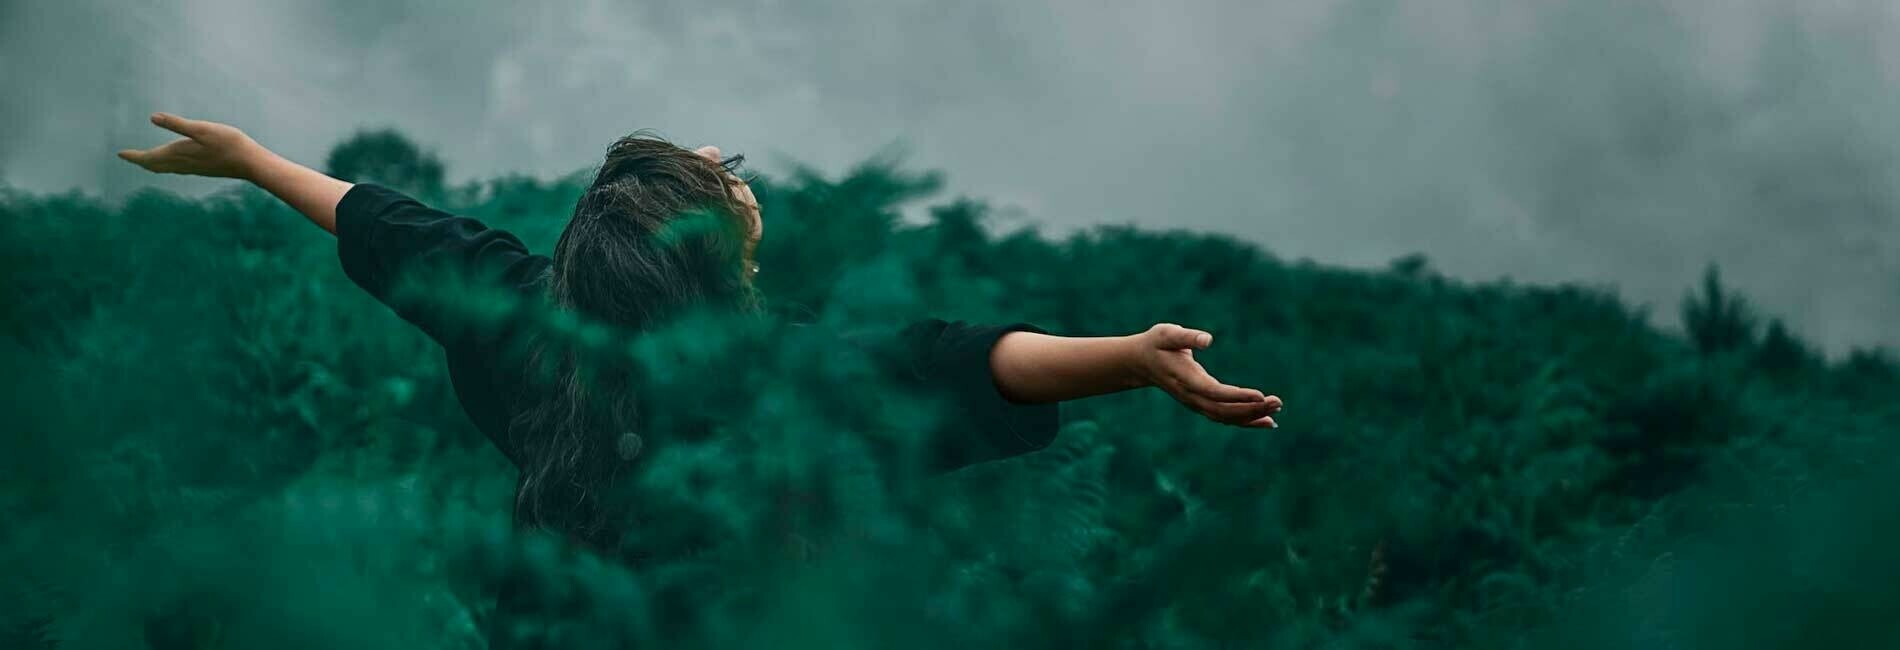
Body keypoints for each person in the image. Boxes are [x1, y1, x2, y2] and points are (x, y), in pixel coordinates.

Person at [118, 111, 1283, 636]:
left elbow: (385, 224)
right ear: (720, 251)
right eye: (726, 180)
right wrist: (1130, 358)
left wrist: (249, 159)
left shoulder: (529, 320)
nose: (739, 171)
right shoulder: (777, 377)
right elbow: (952, 362)